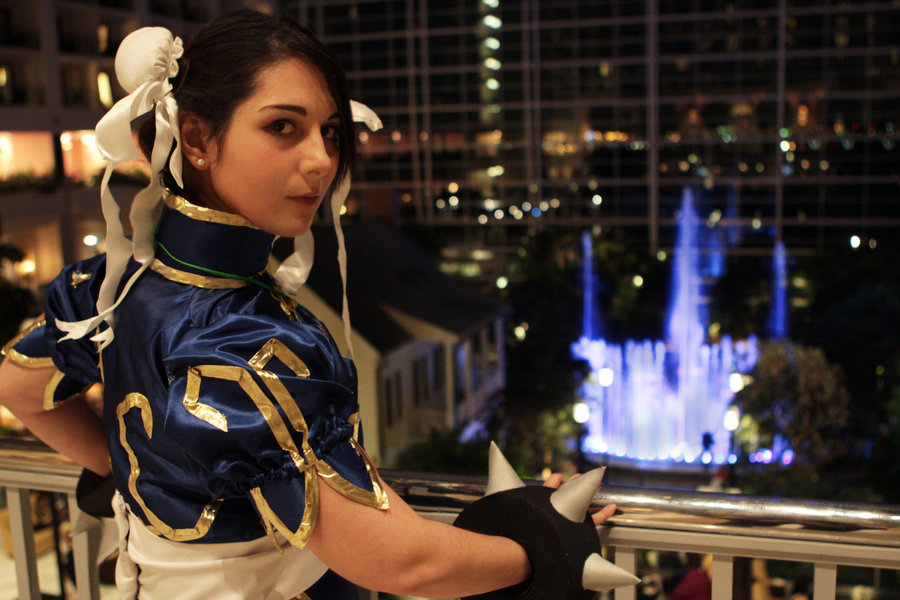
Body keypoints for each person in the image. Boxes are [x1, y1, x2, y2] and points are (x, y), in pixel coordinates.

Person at [0, 10, 625, 600]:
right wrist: (543, 542)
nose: (322, 159)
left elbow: (20, 390)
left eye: (329, 130)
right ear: (194, 138)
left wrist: (142, 477)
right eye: (282, 127)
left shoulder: (107, 286)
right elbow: (397, 561)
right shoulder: (246, 338)